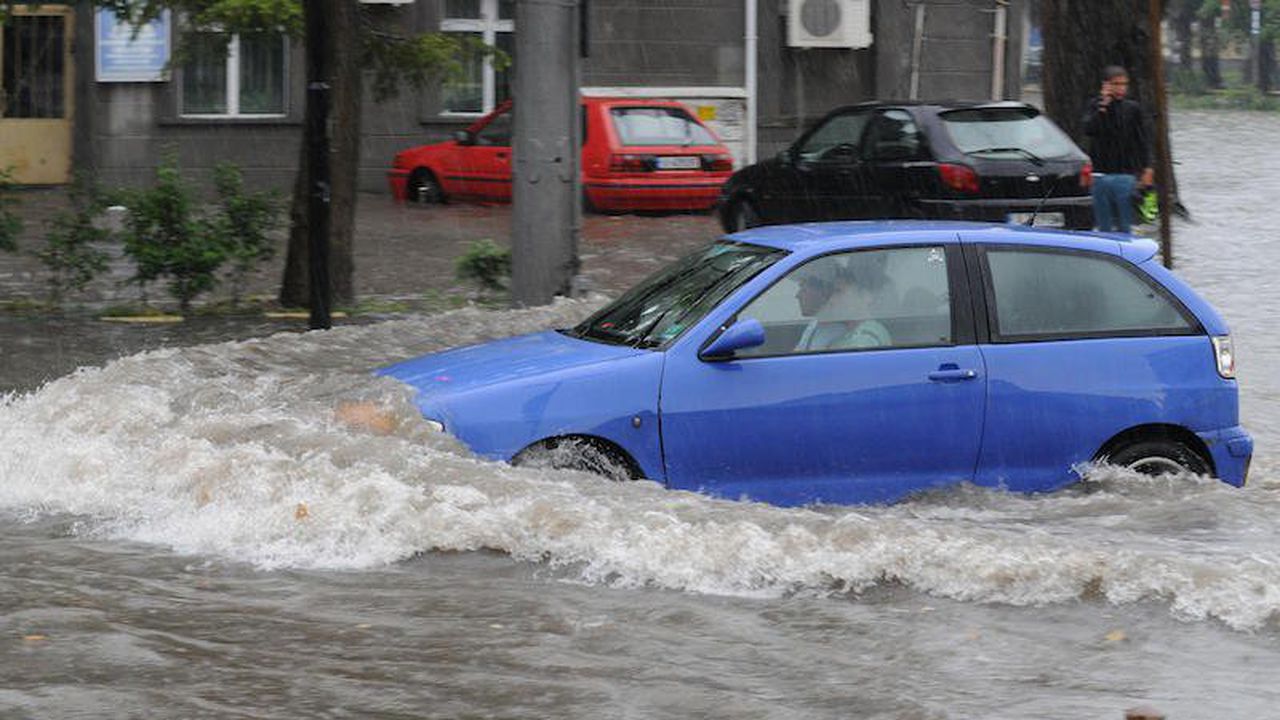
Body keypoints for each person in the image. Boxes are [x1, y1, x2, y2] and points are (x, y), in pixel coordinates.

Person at [1082, 65, 1154, 234]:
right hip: (1100, 174)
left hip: (1124, 174)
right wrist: (1103, 107)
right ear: (1106, 85)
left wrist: (1148, 167)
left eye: (1124, 84)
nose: (1121, 88)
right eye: (1116, 84)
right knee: (1103, 224)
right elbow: (1089, 129)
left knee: (1125, 224)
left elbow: (1142, 140)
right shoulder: (1095, 106)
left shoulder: (1132, 109)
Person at [793, 257, 892, 351]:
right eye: (833, 292)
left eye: (839, 292)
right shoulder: (844, 330)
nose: (832, 300)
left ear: (866, 296)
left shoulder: (866, 338)